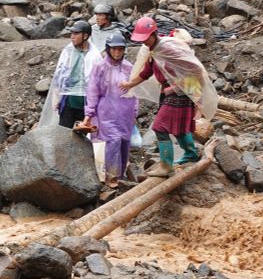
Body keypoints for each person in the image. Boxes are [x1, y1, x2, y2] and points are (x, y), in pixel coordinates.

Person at [119, 16, 217, 177]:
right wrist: (130, 84)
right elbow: (146, 72)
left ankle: (166, 165)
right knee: (178, 129)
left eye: (146, 39)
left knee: (159, 128)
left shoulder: (168, 48)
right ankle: (191, 153)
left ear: (154, 34)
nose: (143, 42)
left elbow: (195, 69)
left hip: (180, 94)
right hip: (168, 93)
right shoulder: (153, 51)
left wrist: (180, 87)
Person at [79, 32, 139, 188]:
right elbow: (92, 91)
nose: (117, 52)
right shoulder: (100, 67)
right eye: (114, 49)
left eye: (120, 49)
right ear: (108, 49)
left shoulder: (128, 67)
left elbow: (135, 91)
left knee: (125, 142)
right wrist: (89, 114)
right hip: (107, 112)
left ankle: (121, 173)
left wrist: (135, 112)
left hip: (125, 111)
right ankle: (111, 176)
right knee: (113, 140)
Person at [40, 20, 99, 129]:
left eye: (76, 34)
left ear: (85, 36)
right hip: (69, 99)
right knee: (63, 132)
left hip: (85, 101)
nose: (72, 37)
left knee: (82, 136)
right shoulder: (68, 51)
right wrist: (56, 94)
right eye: (71, 33)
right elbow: (60, 74)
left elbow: (97, 81)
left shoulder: (94, 55)